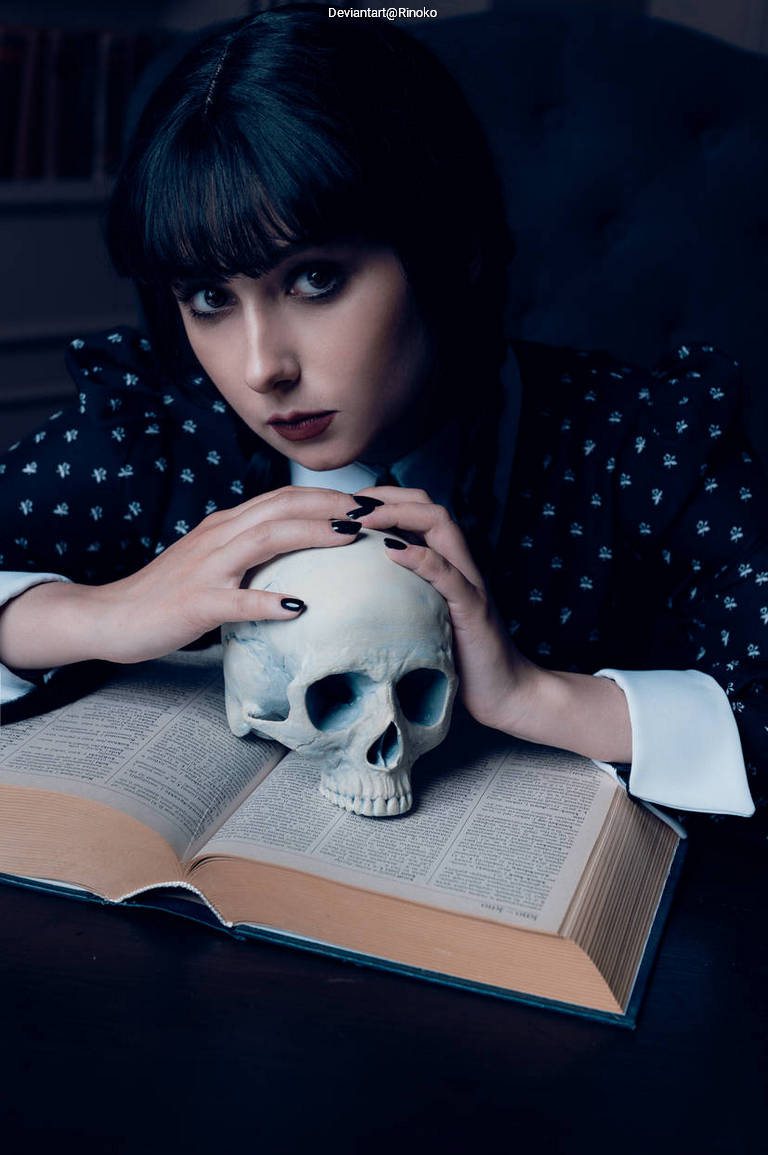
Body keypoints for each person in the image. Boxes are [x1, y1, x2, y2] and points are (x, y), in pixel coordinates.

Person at [0, 6, 763, 834]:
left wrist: (535, 693)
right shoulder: (157, 435)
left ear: (451, 244)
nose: (262, 369)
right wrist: (102, 614)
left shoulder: (639, 441)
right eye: (211, 298)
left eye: (316, 279)